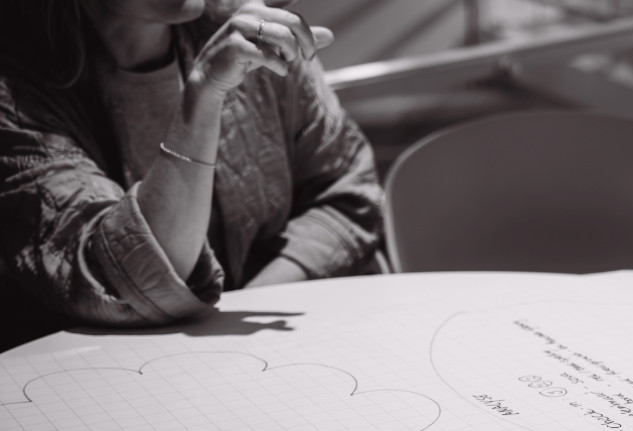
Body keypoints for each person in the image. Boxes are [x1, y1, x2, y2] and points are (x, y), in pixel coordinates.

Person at [0, 0, 384, 352]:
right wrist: (203, 92)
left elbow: (347, 197)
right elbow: (124, 283)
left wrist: (248, 309)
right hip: (96, 385)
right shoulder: (17, 94)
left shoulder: (250, 36)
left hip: (260, 356)